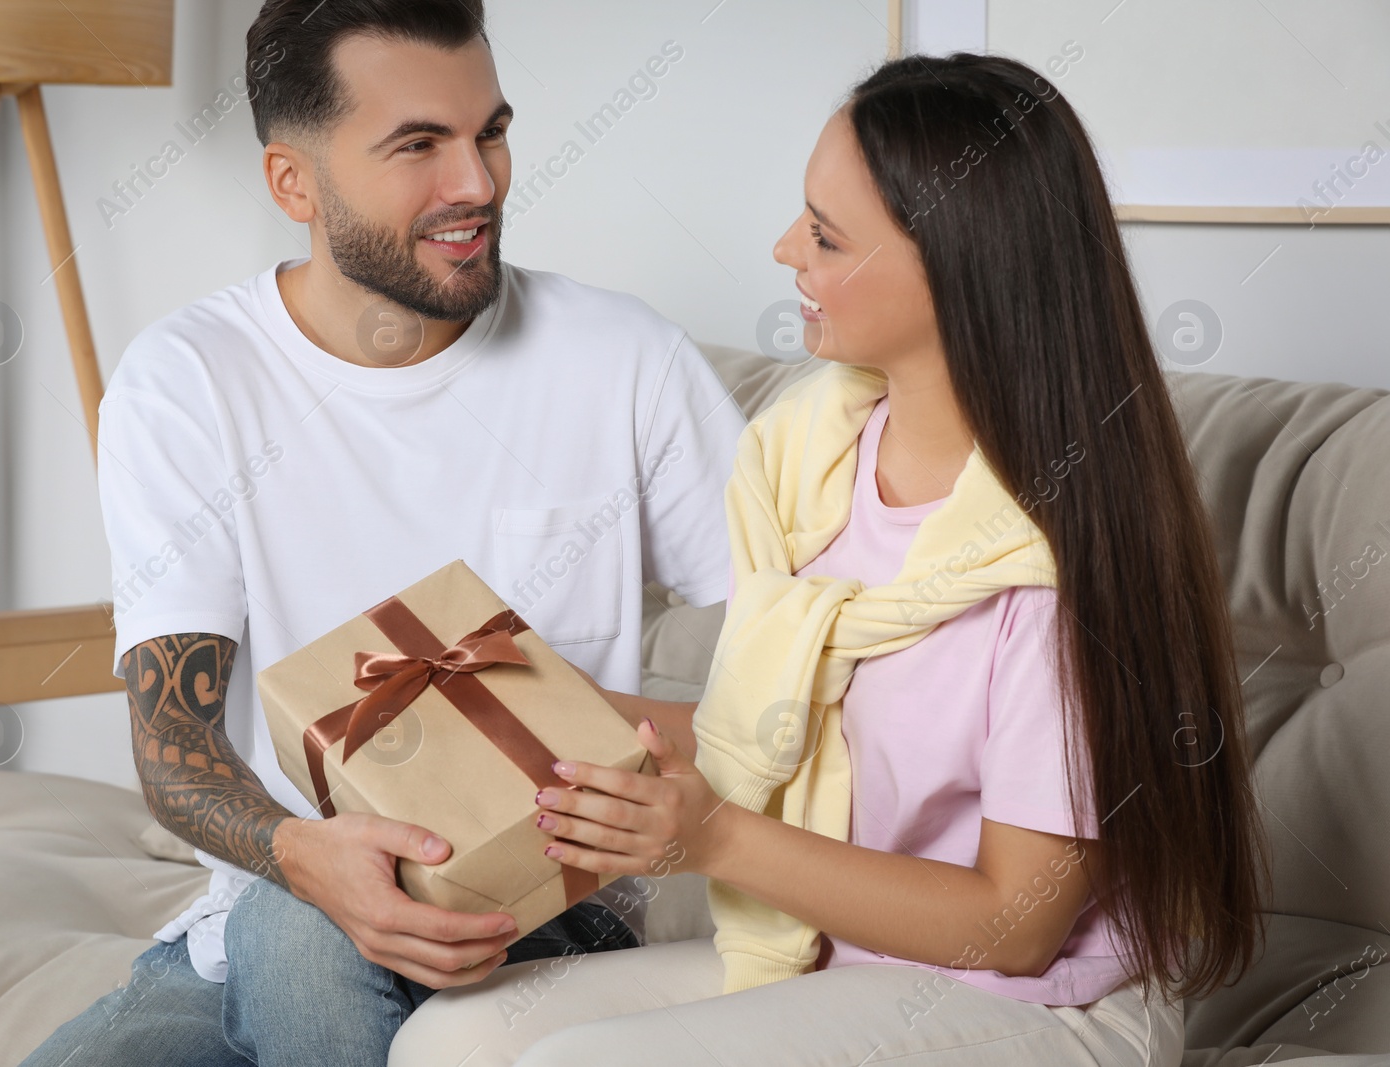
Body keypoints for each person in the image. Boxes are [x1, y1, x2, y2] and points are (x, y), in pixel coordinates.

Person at [388, 52, 1269, 1066]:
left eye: (824, 232)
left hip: (1041, 1003)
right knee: (448, 1040)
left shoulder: (1049, 558)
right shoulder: (811, 464)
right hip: (842, 954)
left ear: (957, 263)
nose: (782, 247)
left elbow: (1017, 922)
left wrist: (714, 838)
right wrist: (549, 700)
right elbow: (781, 728)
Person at [18, 1, 746, 1064]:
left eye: (488, 132)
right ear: (292, 183)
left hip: (548, 913)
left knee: (304, 942)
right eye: (418, 146)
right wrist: (301, 852)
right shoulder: (187, 381)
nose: (479, 183)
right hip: (275, 894)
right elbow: (173, 752)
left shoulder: (624, 359)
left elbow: (805, 669)